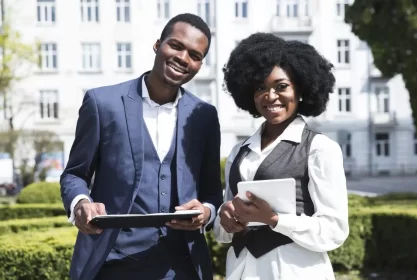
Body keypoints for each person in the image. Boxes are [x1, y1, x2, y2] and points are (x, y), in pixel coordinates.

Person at [60, 13, 223, 280]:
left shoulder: (204, 115)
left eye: (195, 55)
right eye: (176, 46)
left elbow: (211, 192)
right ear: (158, 44)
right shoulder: (103, 103)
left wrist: (206, 211)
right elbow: (74, 174)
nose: (183, 58)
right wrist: (81, 203)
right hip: (113, 263)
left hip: (182, 267)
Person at [213, 33, 349, 280]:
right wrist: (224, 218)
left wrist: (274, 219)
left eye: (281, 86)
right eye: (260, 87)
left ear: (301, 89)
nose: (270, 96)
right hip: (242, 270)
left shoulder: (320, 148)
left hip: (294, 271)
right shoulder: (238, 152)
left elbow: (335, 231)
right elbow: (223, 232)